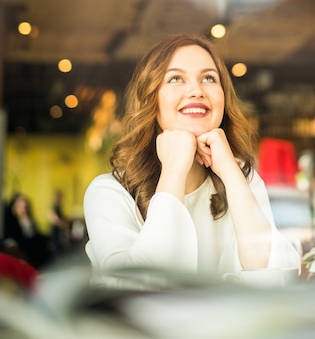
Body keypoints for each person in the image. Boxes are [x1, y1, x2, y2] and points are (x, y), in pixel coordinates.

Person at [83, 34, 301, 287]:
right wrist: (173, 171)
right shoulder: (109, 192)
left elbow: (274, 278)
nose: (197, 90)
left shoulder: (243, 179)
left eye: (209, 78)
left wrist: (231, 172)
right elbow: (140, 286)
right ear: (151, 99)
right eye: (175, 78)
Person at [3, 193, 52, 270]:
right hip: (20, 245)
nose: (23, 208)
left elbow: (34, 234)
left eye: (25, 206)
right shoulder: (11, 220)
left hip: (31, 243)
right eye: (20, 206)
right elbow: (12, 235)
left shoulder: (30, 219)